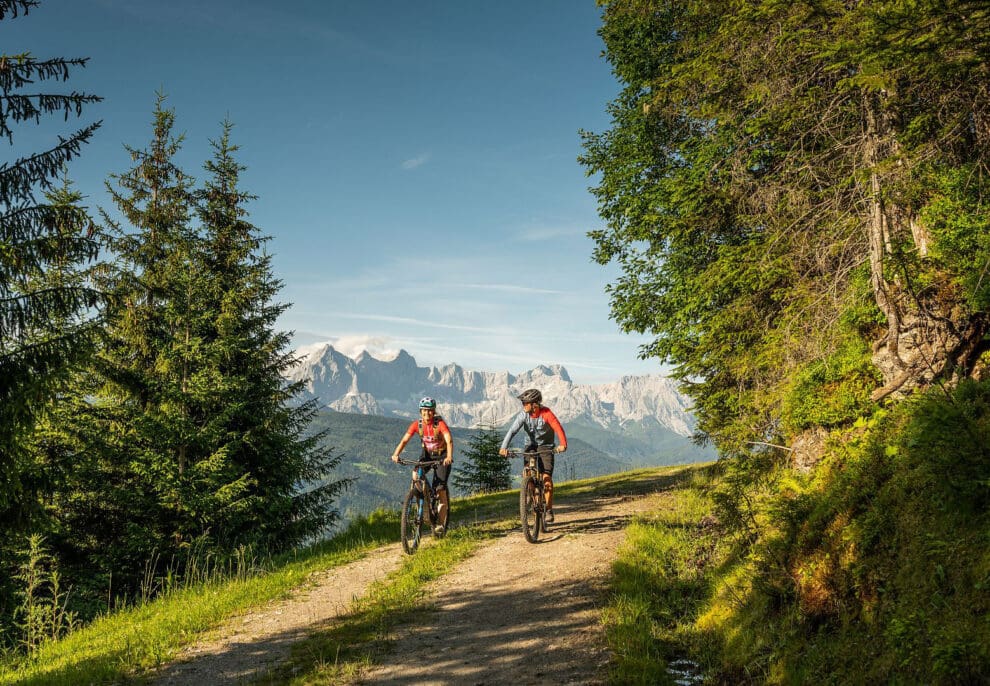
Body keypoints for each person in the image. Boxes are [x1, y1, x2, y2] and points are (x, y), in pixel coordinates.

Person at [498, 388, 567, 523]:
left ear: (534, 404)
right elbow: (512, 431)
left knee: (546, 478)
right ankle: (528, 491)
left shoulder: (546, 413)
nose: (523, 405)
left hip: (546, 446)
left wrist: (563, 444)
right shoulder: (523, 415)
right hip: (530, 445)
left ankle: (548, 509)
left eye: (525, 403)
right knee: (527, 472)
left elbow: (558, 428)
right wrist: (503, 447)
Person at [392, 396, 454, 534]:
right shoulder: (417, 425)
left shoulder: (439, 424)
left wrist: (449, 457)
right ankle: (423, 496)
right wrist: (396, 454)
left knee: (440, 491)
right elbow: (404, 441)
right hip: (427, 455)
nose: (427, 414)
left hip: (442, 456)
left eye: (430, 411)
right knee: (415, 474)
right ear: (421, 412)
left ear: (434, 411)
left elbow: (449, 440)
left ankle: (439, 524)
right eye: (424, 411)